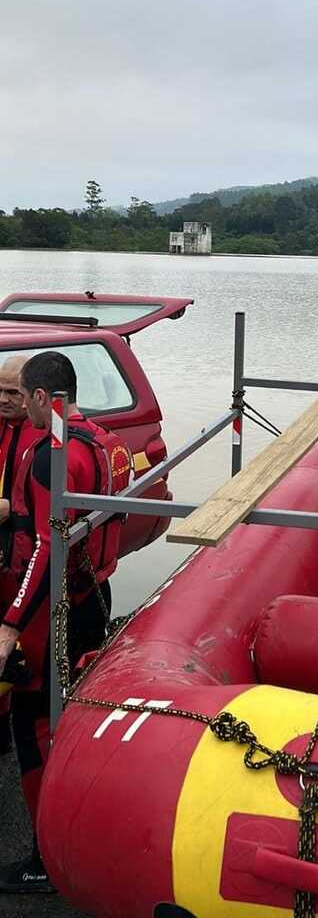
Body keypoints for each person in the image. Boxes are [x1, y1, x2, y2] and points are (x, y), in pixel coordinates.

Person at [0, 351, 131, 894]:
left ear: (39, 397)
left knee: (35, 729)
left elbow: (44, 549)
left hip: (53, 611)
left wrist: (11, 623)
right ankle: (74, 830)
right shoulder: (105, 440)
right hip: (92, 596)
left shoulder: (51, 456)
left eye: (17, 395)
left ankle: (45, 856)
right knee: (67, 716)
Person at [0, 355, 42, 755]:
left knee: (19, 648)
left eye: (13, 392)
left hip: (22, 559)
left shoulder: (43, 435)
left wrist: (9, 509)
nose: (4, 399)